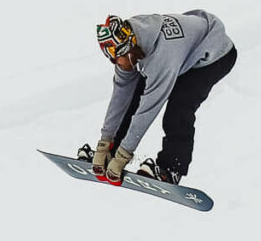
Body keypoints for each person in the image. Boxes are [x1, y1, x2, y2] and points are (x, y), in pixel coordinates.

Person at [80, 11, 237, 184]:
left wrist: (124, 155)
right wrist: (105, 142)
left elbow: (149, 108)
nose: (118, 63)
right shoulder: (127, 42)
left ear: (130, 49)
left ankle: (171, 169)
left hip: (214, 53)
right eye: (113, 59)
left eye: (120, 57)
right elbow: (120, 97)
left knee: (179, 109)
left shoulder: (161, 55)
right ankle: (113, 150)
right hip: (182, 52)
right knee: (133, 95)